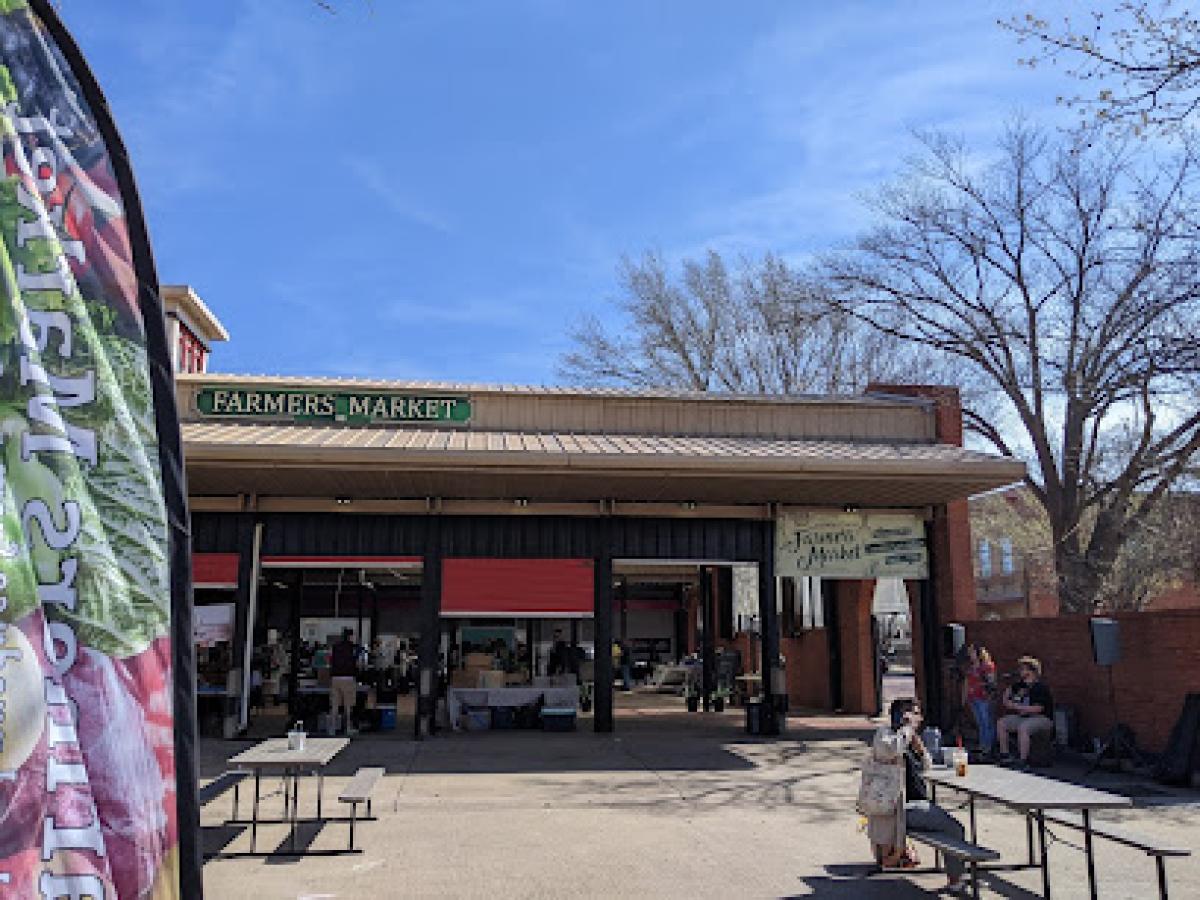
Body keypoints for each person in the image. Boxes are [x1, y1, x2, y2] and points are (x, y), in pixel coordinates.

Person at [864, 699, 967, 894]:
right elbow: (890, 750)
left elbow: (927, 766)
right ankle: (956, 880)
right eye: (915, 714)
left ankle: (956, 875)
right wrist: (906, 729)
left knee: (946, 824)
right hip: (900, 809)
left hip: (916, 804)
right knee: (955, 829)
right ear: (903, 715)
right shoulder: (885, 734)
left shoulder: (909, 738)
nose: (920, 718)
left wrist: (919, 747)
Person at [997, 656, 1054, 765]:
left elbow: (1038, 708)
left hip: (1042, 718)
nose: (1021, 672)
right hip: (1024, 717)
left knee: (1024, 727)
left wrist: (1016, 707)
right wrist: (1008, 690)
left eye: (1023, 669)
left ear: (1032, 672)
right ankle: (1005, 755)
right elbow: (1006, 700)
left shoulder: (1040, 687)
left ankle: (1023, 760)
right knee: (1002, 723)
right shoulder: (1019, 685)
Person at [963, 644, 997, 757]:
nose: (970, 654)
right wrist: (965, 697)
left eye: (972, 652)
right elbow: (967, 682)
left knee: (987, 722)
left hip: (984, 698)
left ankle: (989, 747)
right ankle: (982, 745)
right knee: (980, 723)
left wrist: (987, 692)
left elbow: (991, 682)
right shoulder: (971, 667)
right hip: (973, 697)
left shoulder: (987, 666)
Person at [329, 628, 359, 736]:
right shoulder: (353, 648)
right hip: (348, 677)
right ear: (350, 636)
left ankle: (332, 728)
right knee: (348, 705)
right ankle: (348, 728)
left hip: (335, 678)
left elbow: (331, 660)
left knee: (334, 705)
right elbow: (357, 663)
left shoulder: (335, 647)